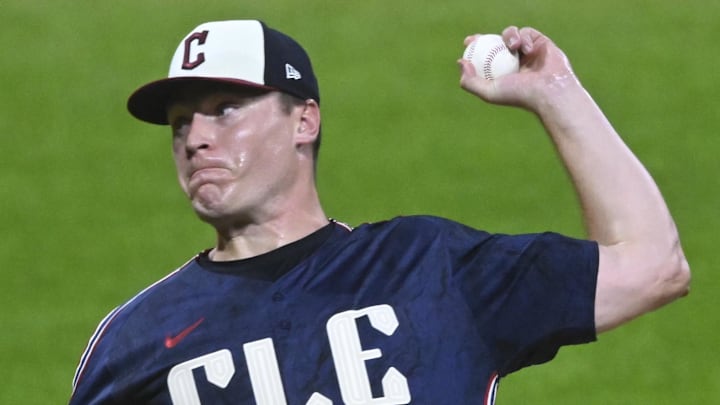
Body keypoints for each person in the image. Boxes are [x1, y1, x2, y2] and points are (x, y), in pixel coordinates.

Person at [69, 19, 690, 404]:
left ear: (304, 120)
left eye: (225, 109)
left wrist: (556, 95)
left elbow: (653, 267)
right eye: (181, 124)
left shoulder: (428, 270)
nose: (197, 138)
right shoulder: (136, 341)